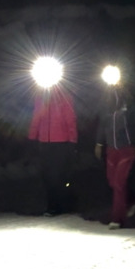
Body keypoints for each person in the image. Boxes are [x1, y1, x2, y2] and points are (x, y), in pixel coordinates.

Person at [94, 76, 135, 229]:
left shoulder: (131, 104)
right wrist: (99, 143)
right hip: (111, 149)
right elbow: (102, 125)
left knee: (119, 183)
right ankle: (131, 199)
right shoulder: (106, 105)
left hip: (127, 149)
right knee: (113, 182)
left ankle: (117, 219)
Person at [28, 84, 78, 216]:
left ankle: (59, 205)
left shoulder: (64, 98)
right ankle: (52, 204)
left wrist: (72, 141)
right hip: (44, 142)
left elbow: (70, 119)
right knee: (47, 175)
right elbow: (36, 117)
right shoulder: (40, 98)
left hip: (61, 142)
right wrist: (32, 137)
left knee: (58, 175)